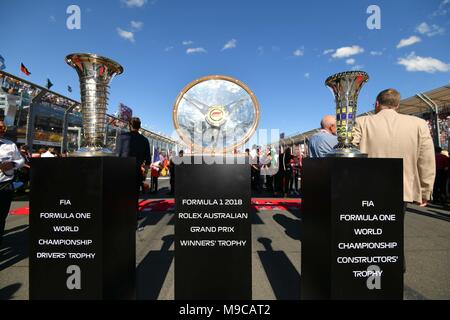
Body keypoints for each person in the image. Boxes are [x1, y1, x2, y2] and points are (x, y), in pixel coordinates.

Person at [353, 88, 435, 206]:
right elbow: (426, 160)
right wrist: (425, 191)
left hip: (367, 187)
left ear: (377, 104)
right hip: (403, 189)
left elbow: (348, 151)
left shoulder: (361, 122)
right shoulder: (419, 124)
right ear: (397, 105)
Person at [0, 116, 25, 246]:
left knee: (1, 217)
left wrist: (13, 164)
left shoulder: (10, 145)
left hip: (4, 185)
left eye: (3, 127)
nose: (2, 129)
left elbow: (21, 160)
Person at [115, 117, 151, 203]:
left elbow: (117, 156)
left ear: (129, 125)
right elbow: (148, 160)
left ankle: (123, 214)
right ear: (139, 127)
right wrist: (145, 174)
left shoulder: (122, 137)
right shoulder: (144, 140)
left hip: (123, 171)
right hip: (137, 171)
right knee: (135, 196)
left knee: (122, 195)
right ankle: (135, 214)